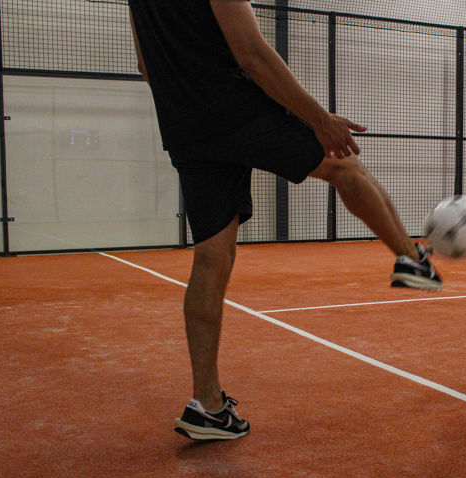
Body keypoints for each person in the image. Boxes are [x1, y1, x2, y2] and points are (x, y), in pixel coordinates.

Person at [128, 0, 441, 440]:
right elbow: (252, 54)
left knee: (211, 258)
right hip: (233, 109)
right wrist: (319, 119)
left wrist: (191, 103)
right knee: (345, 167)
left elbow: (146, 65)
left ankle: (209, 407)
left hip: (185, 126)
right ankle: (411, 259)